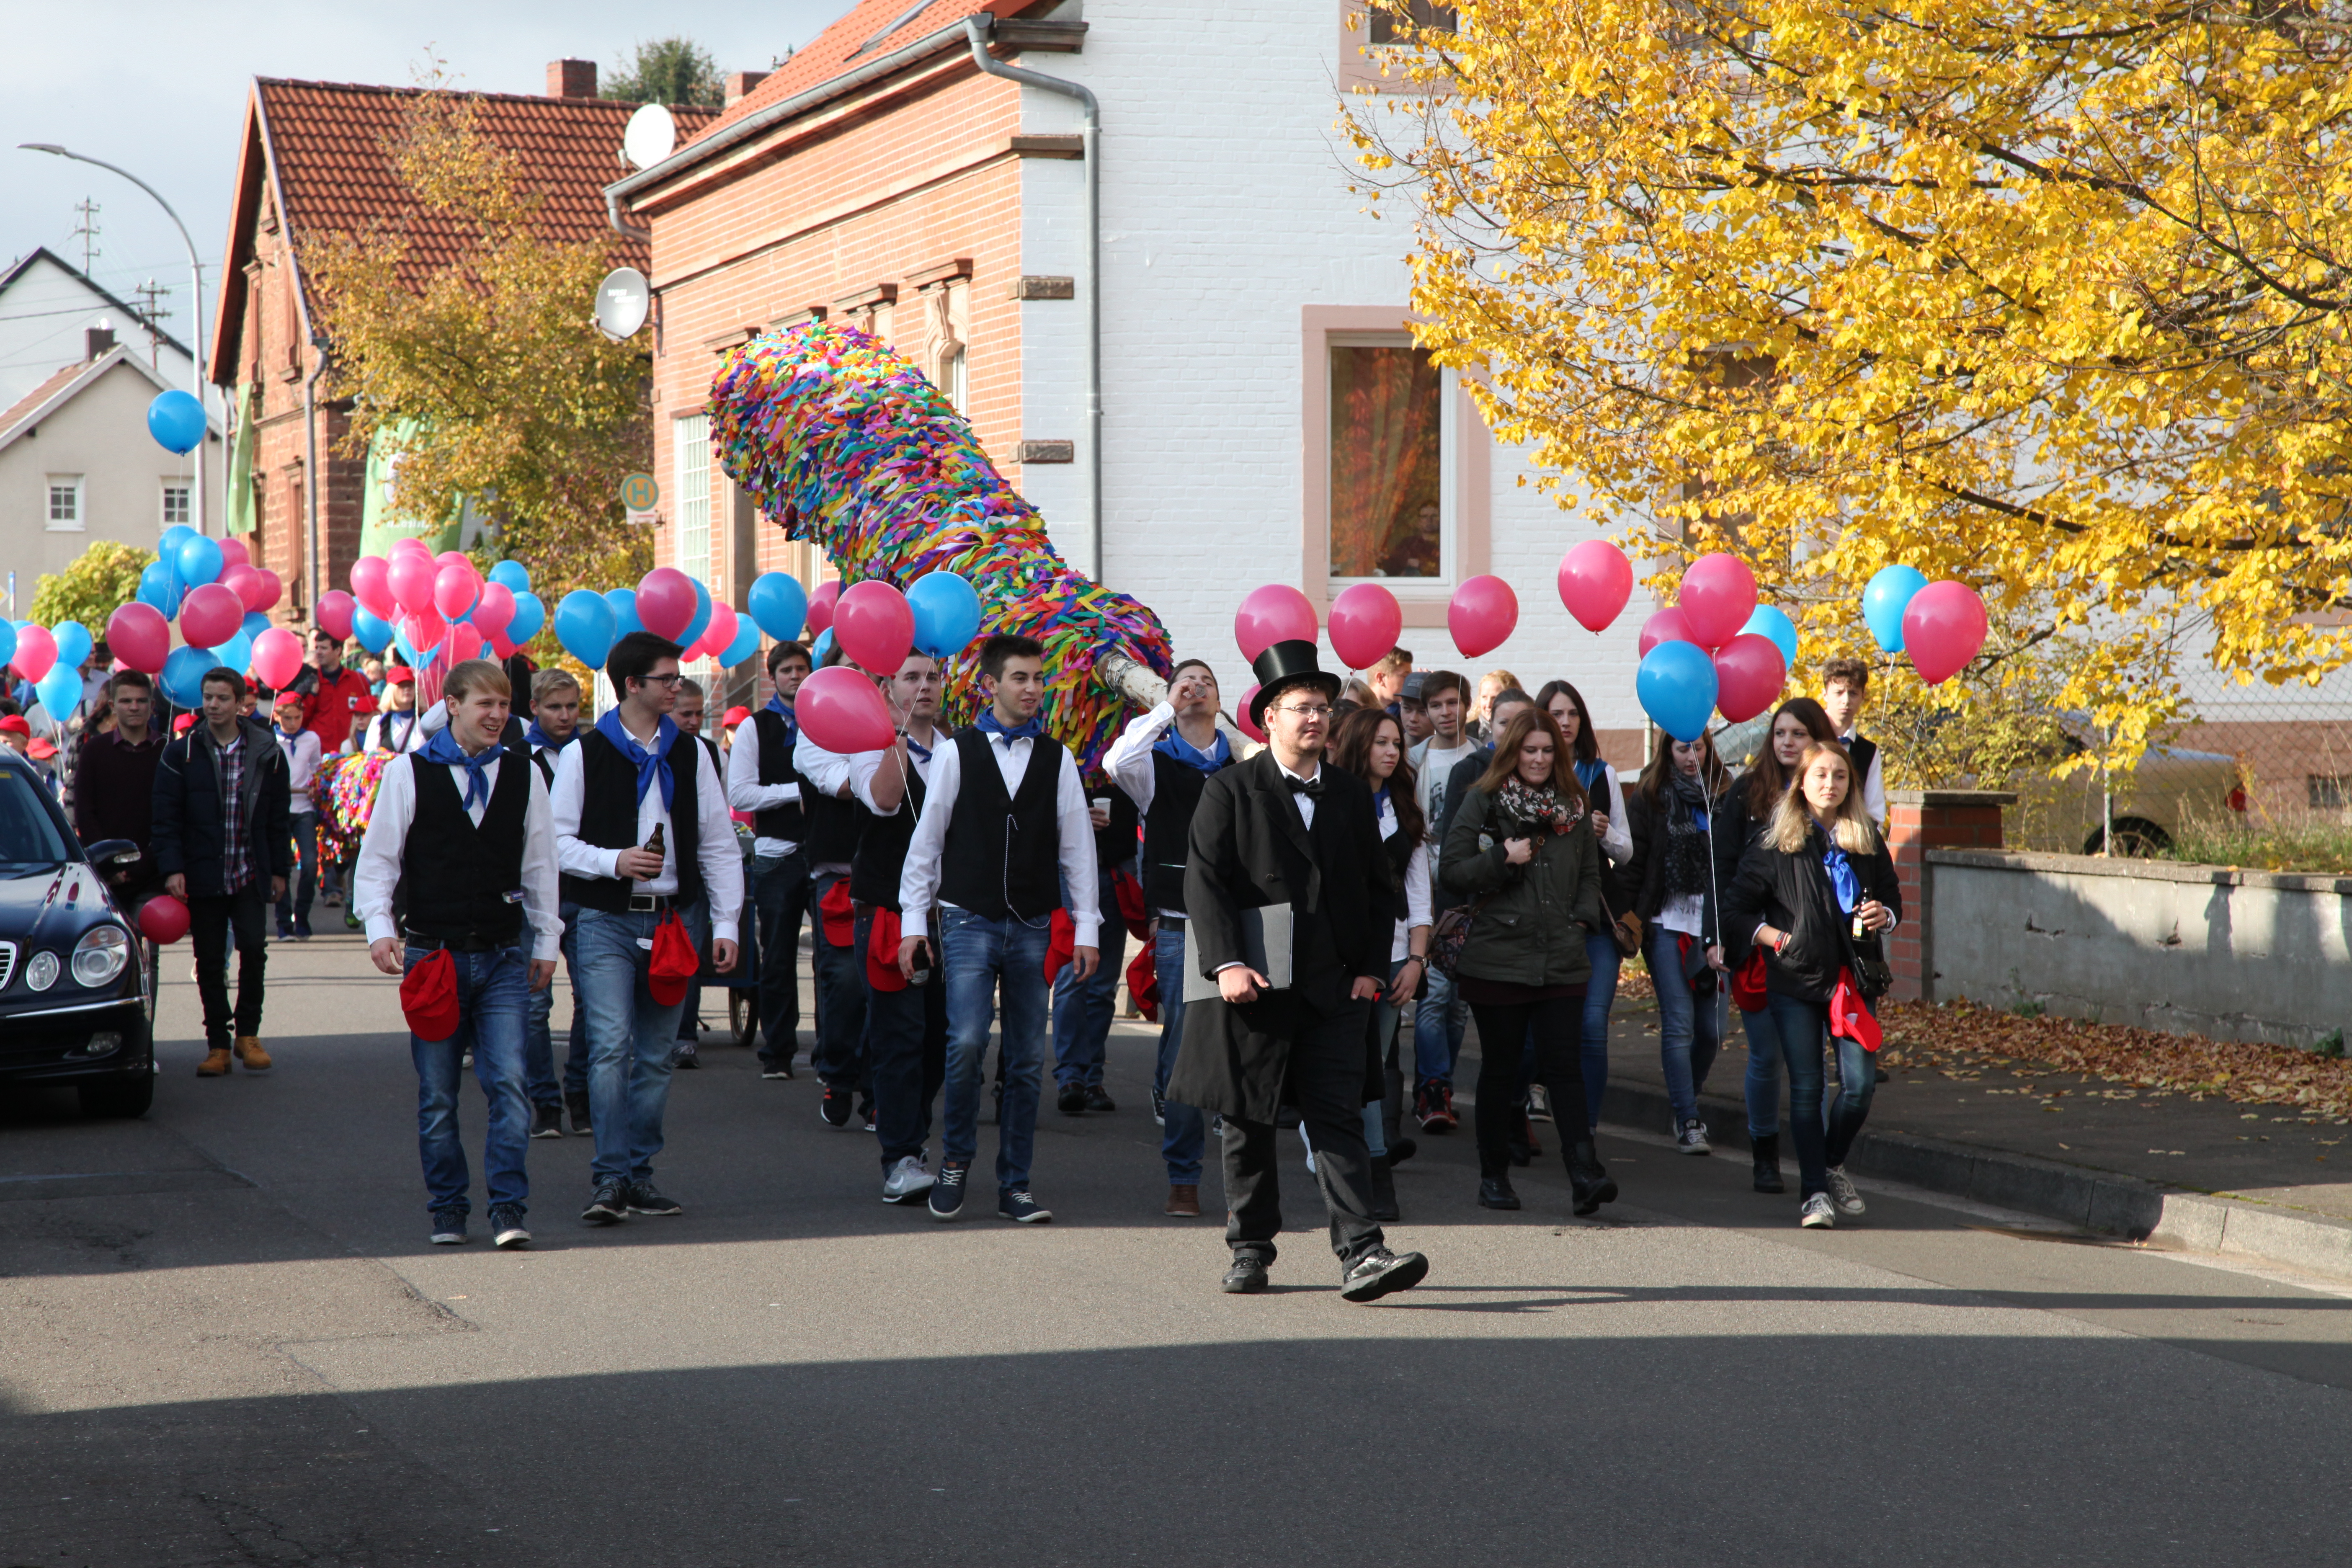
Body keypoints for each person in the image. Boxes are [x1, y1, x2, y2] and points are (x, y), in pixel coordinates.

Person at [1167, 638, 1426, 1300]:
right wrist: (1226, 963)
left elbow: (1378, 889)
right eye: (1302, 708)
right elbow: (1204, 882)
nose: (1315, 719)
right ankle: (1250, 1249)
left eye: (1323, 709)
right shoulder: (1230, 789)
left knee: (1338, 1117)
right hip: (1253, 986)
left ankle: (1363, 1252)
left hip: (1333, 988)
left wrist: (1371, 969)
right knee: (1247, 1121)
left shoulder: (1350, 794)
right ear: (1269, 718)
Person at [355, 658, 560, 1249]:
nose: (497, 715)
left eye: (504, 706)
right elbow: (379, 861)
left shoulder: (524, 773)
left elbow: (541, 864)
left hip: (502, 955)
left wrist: (547, 939)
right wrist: (379, 928)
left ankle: (508, 1207)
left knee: (510, 1085)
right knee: (439, 1096)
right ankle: (448, 1208)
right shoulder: (409, 772)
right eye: (485, 704)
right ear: (452, 706)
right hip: (433, 957)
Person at [898, 633, 1099, 1225]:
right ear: (991, 685)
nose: (1033, 688)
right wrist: (914, 922)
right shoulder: (957, 752)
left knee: (1026, 1059)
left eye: (1038, 678)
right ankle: (955, 1162)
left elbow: (1078, 849)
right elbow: (927, 842)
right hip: (967, 918)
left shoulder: (1058, 758)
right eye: (1020, 678)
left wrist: (1087, 927)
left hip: (1033, 922)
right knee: (965, 1042)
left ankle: (1016, 1182)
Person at [551, 631, 742, 1225]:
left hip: (672, 921)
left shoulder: (694, 753)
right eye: (668, 679)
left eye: (678, 678)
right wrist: (615, 861)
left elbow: (718, 842)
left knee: (657, 1056)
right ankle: (610, 1176)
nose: (678, 688)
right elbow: (555, 842)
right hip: (604, 919)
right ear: (632, 685)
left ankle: (639, 1174)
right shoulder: (585, 753)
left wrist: (728, 922)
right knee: (610, 1048)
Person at [1439, 705, 1617, 1213]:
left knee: (1564, 1066)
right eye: (1529, 750)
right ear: (1512, 752)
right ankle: (1494, 1176)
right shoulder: (1484, 800)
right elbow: (1452, 870)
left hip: (1561, 956)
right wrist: (1501, 857)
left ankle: (1584, 1174)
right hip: (1497, 957)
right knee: (1502, 1068)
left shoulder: (1574, 806)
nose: (1538, 759)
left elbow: (1590, 873)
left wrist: (1581, 921)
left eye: (1547, 751)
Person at [1722, 740, 1901, 1227]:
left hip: (1853, 979)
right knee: (1808, 1087)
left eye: (1840, 776)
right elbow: (1736, 911)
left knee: (1860, 1086)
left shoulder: (1865, 837)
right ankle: (1815, 1193)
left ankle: (1831, 1163)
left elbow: (1892, 898)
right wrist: (1777, 939)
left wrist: (1884, 915)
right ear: (1801, 783)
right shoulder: (1776, 841)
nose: (1830, 784)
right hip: (1796, 979)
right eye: (1820, 775)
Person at [1104, 657, 1233, 1218]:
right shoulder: (1155, 763)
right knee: (1186, 1050)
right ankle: (1184, 1176)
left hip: (1243, 924)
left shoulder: (1242, 760)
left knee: (1245, 1048)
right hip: (1183, 923)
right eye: (1187, 681)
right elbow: (1117, 761)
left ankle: (1247, 1181)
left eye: (1208, 682)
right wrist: (1164, 710)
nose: (1197, 688)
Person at [1719, 696, 1841, 1192]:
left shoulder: (1833, 794)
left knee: (1812, 1067)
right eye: (1780, 733)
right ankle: (1764, 1151)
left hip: (1816, 955)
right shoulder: (1748, 791)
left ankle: (1818, 1165)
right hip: (1759, 948)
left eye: (1799, 734)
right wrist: (1717, 937)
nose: (1788, 743)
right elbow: (1722, 870)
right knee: (1766, 1055)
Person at [151, 666, 292, 1078]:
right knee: (210, 960)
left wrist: (280, 870)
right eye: (208, 698)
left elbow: (278, 818)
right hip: (204, 871)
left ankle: (248, 1034)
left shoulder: (267, 751)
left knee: (254, 951)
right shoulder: (183, 752)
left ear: (241, 703)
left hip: (249, 870)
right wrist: (173, 868)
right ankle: (218, 1044)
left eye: (222, 698)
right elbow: (166, 817)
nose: (213, 705)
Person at [850, 652, 952, 1204]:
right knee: (900, 1039)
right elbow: (886, 800)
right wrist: (899, 737)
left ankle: (916, 1140)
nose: (924, 687)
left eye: (932, 677)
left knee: (941, 1040)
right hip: (888, 915)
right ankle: (901, 1157)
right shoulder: (871, 747)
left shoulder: (958, 750)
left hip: (948, 919)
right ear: (888, 689)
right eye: (911, 678)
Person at [1328, 706, 1431, 1221]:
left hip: (1393, 960)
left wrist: (1416, 959)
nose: (1392, 752)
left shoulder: (1404, 808)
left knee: (1373, 1068)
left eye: (1397, 744)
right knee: (1342, 1067)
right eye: (1382, 743)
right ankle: (1343, 1166)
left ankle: (1374, 1175)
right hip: (1339, 960)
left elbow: (1419, 895)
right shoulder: (1331, 801)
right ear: (1359, 745)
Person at [1627, 730, 1735, 1155]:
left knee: (1711, 1031)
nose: (1691, 756)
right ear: (1666, 750)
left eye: (1699, 747)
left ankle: (1687, 1095)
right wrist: (1629, 917)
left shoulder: (1725, 795)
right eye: (1682, 748)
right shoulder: (1651, 795)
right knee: (1679, 1021)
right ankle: (1688, 1117)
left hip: (1712, 926)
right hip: (1664, 922)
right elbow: (1636, 860)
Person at [1536, 680, 1635, 1132]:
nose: (1565, 722)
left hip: (1597, 918)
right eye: (1556, 714)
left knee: (1593, 1026)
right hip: (1544, 918)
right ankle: (1530, 1099)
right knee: (1543, 1029)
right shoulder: (1530, 771)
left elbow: (1626, 852)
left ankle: (1586, 1132)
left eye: (1573, 713)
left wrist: (1605, 833)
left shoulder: (1602, 773)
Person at [792, 650, 875, 1128]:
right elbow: (847, 785)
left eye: (867, 668)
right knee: (844, 983)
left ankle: (878, 1088)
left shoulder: (908, 729)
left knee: (890, 984)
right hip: (839, 876)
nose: (861, 676)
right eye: (850, 668)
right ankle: (839, 1075)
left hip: (895, 877)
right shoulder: (815, 732)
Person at [728, 640, 812, 1081]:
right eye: (787, 671)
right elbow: (741, 793)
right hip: (777, 856)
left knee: (832, 962)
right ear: (773, 677)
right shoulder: (754, 728)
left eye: (802, 668)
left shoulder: (828, 721)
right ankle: (778, 1053)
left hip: (825, 855)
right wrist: (797, 793)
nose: (795, 676)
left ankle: (831, 1056)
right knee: (778, 958)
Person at [1407, 670, 1478, 1129]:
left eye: (1453, 703)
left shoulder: (1483, 759)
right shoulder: (1414, 759)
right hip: (1425, 892)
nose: (1446, 712)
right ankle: (1434, 1088)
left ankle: (1439, 1086)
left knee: (1457, 1004)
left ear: (1467, 706)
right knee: (1433, 996)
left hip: (1468, 894)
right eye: (1436, 705)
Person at [521, 668, 586, 1138]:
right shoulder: (516, 758)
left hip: (585, 889)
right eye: (554, 707)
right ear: (534, 709)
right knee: (534, 1004)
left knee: (593, 999)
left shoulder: (594, 752)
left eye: (572, 707)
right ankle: (545, 1102)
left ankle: (580, 1094)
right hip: (533, 895)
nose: (565, 716)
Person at [1052, 773, 1139, 1115]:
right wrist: (1071, 819)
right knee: (1073, 978)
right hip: (1067, 870)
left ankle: (1091, 1078)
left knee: (1103, 986)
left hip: (1116, 869)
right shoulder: (1057, 750)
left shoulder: (1131, 751)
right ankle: (1071, 1078)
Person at [72, 670, 165, 903]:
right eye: (126, 701)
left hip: (153, 875)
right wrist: (108, 864)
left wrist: (142, 867)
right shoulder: (94, 751)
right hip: (104, 875)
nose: (134, 707)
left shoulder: (167, 751)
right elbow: (85, 812)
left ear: (152, 706)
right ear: (113, 706)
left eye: (141, 701)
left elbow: (172, 817)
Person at [668, 678, 721, 1069]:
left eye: (699, 714)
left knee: (689, 956)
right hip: (653, 867)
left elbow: (716, 818)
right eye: (686, 713)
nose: (694, 721)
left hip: (694, 869)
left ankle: (685, 1036)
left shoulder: (708, 751)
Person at [270, 690, 323, 940]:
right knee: (281, 866)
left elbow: (317, 767)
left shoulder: (311, 738)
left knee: (311, 864)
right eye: (287, 718)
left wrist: (316, 784)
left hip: (304, 809)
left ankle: (301, 915)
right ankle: (284, 923)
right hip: (279, 810)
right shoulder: (269, 739)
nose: (292, 723)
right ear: (276, 716)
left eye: (297, 717)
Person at [1820, 657, 1887, 827]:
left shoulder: (1868, 752)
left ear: (1863, 696)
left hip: (1851, 837)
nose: (1846, 700)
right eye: (1839, 693)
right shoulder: (1810, 738)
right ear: (1825, 695)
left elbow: (1875, 811)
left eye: (1853, 693)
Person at [295, 627, 376, 756]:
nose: (318, 652)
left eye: (324, 648)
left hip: (351, 755)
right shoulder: (308, 681)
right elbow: (299, 719)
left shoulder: (358, 681)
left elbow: (371, 715)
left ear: (338, 650)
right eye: (317, 648)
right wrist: (312, 695)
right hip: (319, 755)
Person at [363, 668, 425, 755]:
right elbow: (370, 757)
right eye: (402, 685)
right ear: (391, 690)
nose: (407, 689)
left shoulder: (425, 720)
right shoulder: (380, 722)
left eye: (410, 685)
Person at [1470, 668, 1523, 740]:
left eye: (1495, 698)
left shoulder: (1525, 731)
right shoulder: (1464, 733)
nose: (1488, 705)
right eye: (1484, 697)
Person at [1366, 647, 1413, 718]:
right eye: (1405, 676)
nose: (1410, 682)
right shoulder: (1357, 714)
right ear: (1381, 679)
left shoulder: (1405, 716)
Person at [1397, 671, 1432, 745]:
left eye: (1423, 711)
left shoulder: (1452, 750)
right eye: (1407, 709)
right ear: (1401, 705)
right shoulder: (1388, 748)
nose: (1413, 719)